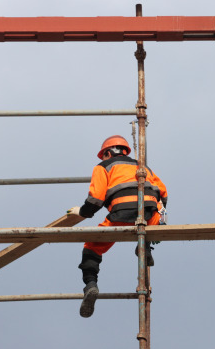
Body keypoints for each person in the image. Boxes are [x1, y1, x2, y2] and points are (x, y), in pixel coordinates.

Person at [67, 135, 168, 318]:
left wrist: (81, 212)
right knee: (156, 219)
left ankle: (91, 285)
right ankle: (145, 246)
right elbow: (164, 194)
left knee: (91, 247)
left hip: (120, 215)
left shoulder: (103, 167)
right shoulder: (143, 167)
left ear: (107, 152)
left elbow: (96, 198)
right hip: (149, 217)